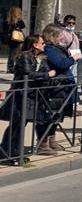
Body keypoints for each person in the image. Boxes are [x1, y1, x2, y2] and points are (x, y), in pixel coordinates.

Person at [1, 35, 58, 163]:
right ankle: (10, 153)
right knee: (17, 125)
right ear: (35, 45)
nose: (44, 45)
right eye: (42, 43)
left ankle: (10, 152)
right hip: (20, 95)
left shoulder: (40, 58)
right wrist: (47, 75)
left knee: (20, 125)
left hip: (31, 96)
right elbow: (28, 74)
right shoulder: (24, 57)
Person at [41, 23, 77, 149]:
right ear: (53, 35)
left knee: (57, 115)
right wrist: (73, 58)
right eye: (60, 34)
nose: (62, 37)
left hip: (63, 86)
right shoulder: (49, 49)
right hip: (55, 87)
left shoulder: (57, 48)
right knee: (49, 115)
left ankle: (52, 141)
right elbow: (60, 64)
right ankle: (43, 143)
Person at [4, 6, 26, 73]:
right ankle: (12, 67)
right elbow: (23, 26)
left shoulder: (8, 20)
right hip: (17, 38)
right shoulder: (17, 21)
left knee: (12, 53)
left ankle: (10, 67)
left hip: (11, 39)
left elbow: (5, 29)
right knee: (16, 53)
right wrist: (19, 19)